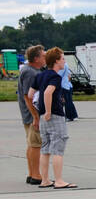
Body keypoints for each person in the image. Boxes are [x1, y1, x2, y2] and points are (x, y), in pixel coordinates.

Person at [35, 47, 76, 189]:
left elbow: (30, 94)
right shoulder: (55, 77)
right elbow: (48, 92)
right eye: (63, 58)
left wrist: (42, 111)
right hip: (54, 115)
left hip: (42, 117)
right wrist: (48, 111)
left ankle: (45, 180)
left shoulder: (40, 76)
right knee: (58, 148)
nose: (64, 61)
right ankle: (59, 180)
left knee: (45, 149)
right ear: (57, 61)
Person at [17, 45, 45, 185]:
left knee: (31, 144)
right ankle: (36, 175)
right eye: (43, 55)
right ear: (36, 58)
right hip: (32, 114)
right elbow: (28, 96)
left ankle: (31, 173)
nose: (45, 58)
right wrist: (35, 116)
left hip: (28, 114)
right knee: (36, 145)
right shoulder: (31, 73)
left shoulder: (30, 70)